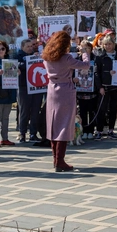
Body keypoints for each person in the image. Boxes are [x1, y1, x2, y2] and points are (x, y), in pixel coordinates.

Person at [42, 31, 91, 171]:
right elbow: (85, 65)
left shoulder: (46, 57)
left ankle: (55, 159)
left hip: (52, 89)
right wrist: (85, 52)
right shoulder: (67, 58)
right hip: (65, 90)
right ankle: (60, 161)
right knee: (64, 125)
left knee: (53, 124)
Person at [14, 38, 43, 142]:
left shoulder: (37, 54)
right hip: (24, 87)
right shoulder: (18, 56)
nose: (30, 48)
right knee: (24, 111)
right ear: (22, 47)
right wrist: (30, 61)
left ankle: (33, 133)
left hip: (37, 86)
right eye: (28, 46)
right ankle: (22, 133)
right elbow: (17, 65)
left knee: (35, 111)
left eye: (31, 46)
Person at [96, 36, 117, 140]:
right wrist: (100, 87)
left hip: (115, 87)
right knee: (101, 110)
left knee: (113, 110)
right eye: (105, 44)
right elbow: (97, 73)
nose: (108, 46)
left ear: (113, 45)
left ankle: (111, 130)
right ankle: (99, 131)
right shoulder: (100, 57)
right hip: (104, 88)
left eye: (109, 44)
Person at [76, 40, 99, 140]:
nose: (85, 50)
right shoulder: (77, 59)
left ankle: (91, 130)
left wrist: (99, 86)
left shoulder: (95, 59)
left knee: (92, 110)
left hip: (92, 89)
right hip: (81, 89)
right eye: (83, 48)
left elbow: (98, 74)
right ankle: (84, 130)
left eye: (87, 48)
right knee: (82, 112)